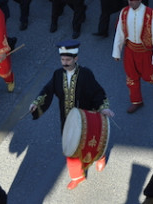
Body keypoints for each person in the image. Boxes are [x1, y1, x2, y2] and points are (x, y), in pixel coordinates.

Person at [30, 40, 115, 190]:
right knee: (70, 147)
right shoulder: (57, 74)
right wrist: (36, 103)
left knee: (92, 142)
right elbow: (48, 90)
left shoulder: (85, 74)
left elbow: (97, 92)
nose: (65, 63)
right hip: (67, 119)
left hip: (87, 118)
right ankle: (77, 176)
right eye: (62, 59)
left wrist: (103, 108)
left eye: (68, 60)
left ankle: (99, 157)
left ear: (76, 59)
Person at [112, 0, 153, 113]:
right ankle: (136, 101)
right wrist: (117, 52)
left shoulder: (149, 14)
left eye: (133, 0)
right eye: (129, 0)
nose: (131, 3)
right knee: (131, 77)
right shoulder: (124, 12)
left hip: (145, 52)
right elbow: (120, 32)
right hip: (130, 51)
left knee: (148, 76)